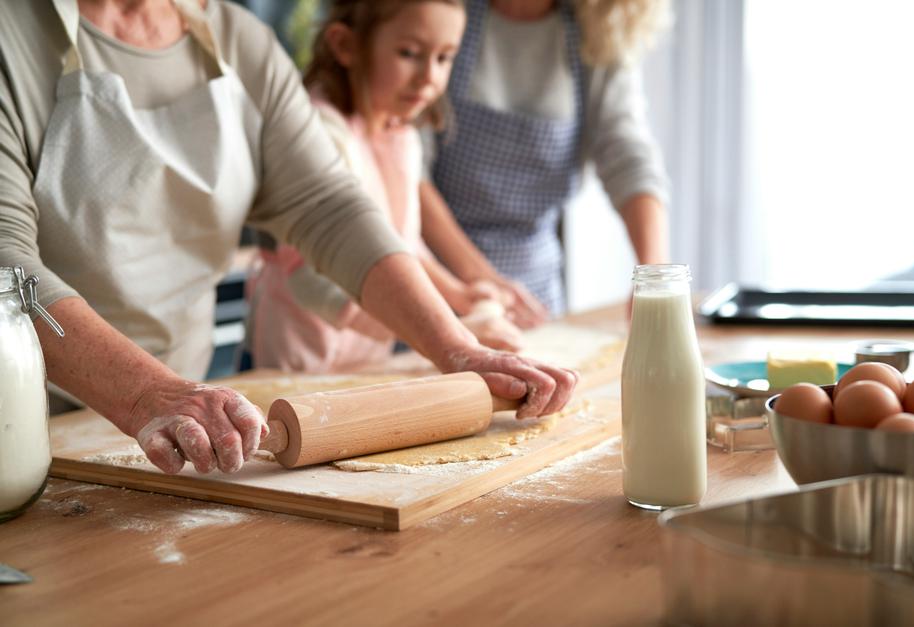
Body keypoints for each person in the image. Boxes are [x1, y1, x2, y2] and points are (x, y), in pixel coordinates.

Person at [0, 0, 577, 476]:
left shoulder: (236, 39)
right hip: (26, 430)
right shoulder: (13, 36)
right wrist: (147, 395)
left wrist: (457, 348)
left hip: (187, 430)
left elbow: (328, 206)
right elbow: (7, 267)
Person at [246, 0, 524, 374]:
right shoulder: (318, 134)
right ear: (345, 46)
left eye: (444, 58)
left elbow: (401, 246)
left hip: (366, 364)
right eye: (409, 53)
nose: (430, 77)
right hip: (297, 364)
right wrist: (447, 331)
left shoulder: (401, 135)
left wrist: (457, 295)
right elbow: (307, 278)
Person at [421, 0, 672, 317]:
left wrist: (656, 274)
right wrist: (480, 281)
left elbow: (625, 150)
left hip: (537, 295)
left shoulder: (598, 31)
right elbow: (407, 170)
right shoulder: (444, 12)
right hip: (433, 282)